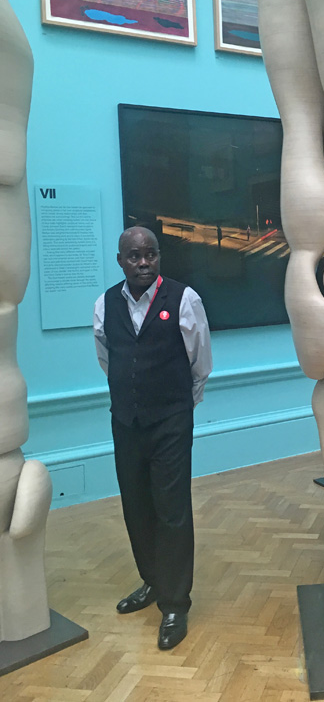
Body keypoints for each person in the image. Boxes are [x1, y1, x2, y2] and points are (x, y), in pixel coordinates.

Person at [93, 227, 212, 650]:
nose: (144, 263)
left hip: (170, 423)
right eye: (134, 256)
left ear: (159, 257)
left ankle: (176, 602)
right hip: (126, 422)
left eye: (151, 255)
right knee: (137, 505)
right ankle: (152, 582)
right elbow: (107, 357)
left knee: (172, 509)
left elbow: (200, 364)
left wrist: (175, 408)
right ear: (120, 260)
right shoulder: (105, 304)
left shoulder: (185, 300)